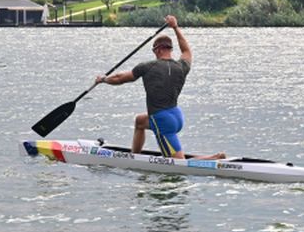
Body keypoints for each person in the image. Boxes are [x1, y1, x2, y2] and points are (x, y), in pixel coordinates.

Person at [94, 15, 225, 160]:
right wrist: (175, 27)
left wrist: (104, 79)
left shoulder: (147, 67)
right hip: (176, 116)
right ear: (169, 48)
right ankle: (134, 158)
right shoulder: (181, 67)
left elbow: (120, 78)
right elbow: (187, 51)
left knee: (178, 163)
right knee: (140, 121)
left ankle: (215, 158)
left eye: (153, 50)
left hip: (162, 120)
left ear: (158, 49)